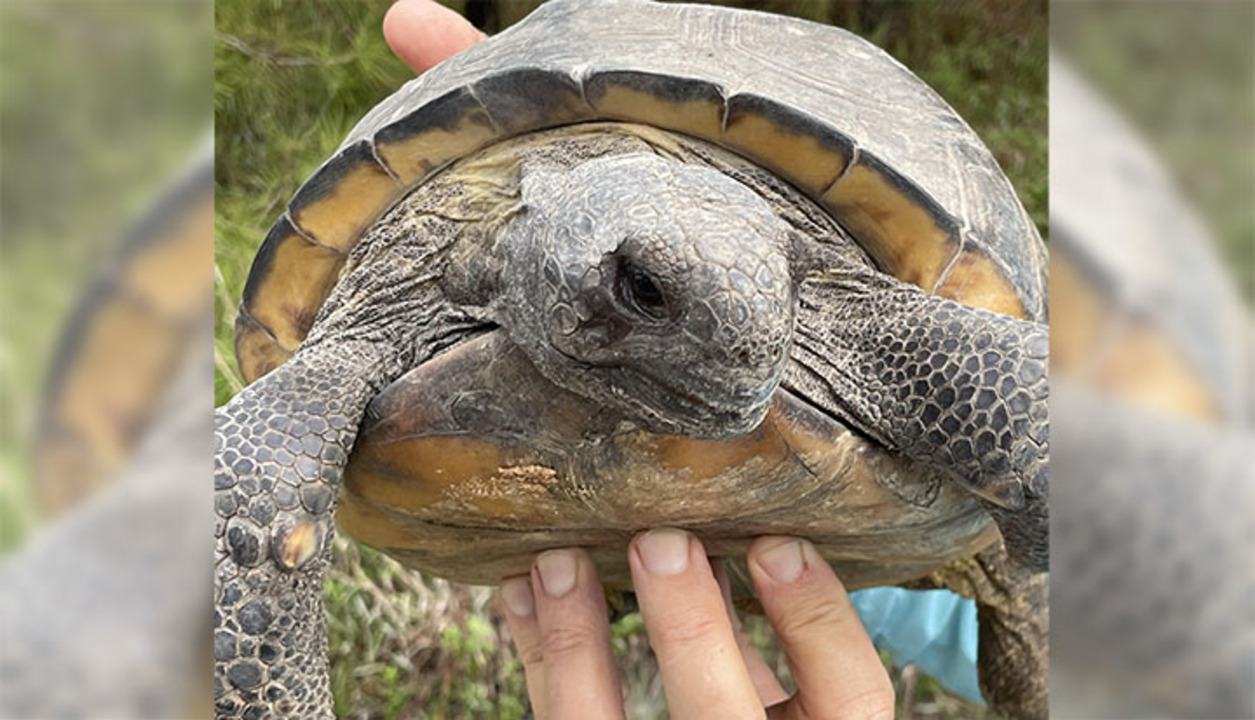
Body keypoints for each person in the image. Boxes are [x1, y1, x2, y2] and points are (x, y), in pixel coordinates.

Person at [380, 2, 980, 717]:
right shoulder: (428, 242)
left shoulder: (864, 312)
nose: (748, 367)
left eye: (784, 295)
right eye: (640, 290)